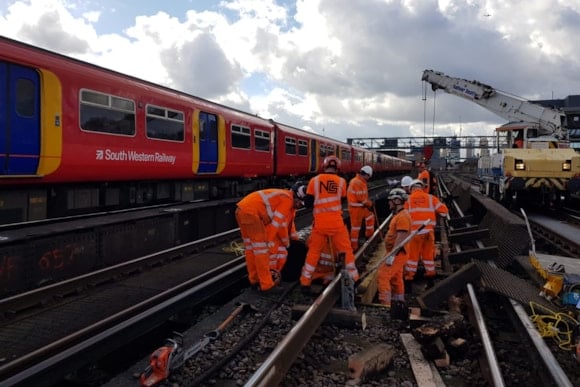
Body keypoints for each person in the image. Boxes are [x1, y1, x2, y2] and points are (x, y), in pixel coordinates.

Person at [300, 155, 359, 289]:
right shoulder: (342, 182)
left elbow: (308, 203)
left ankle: (305, 282)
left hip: (320, 224)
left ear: (324, 166)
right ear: (337, 168)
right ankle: (354, 279)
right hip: (336, 224)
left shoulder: (314, 181)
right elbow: (342, 200)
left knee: (314, 252)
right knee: (346, 250)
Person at [235, 183, 306, 291]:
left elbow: (289, 225)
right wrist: (268, 241)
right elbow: (276, 224)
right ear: (296, 197)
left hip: (242, 210)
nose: (300, 205)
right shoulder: (287, 200)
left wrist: (294, 238)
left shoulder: (285, 197)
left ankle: (254, 280)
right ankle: (266, 284)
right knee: (261, 251)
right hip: (252, 213)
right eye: (300, 203)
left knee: (250, 249)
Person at [404, 179, 449, 280]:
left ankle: (409, 276)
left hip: (414, 233)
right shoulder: (431, 198)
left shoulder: (408, 200)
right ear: (422, 188)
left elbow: (403, 217)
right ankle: (430, 272)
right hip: (429, 232)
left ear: (411, 188)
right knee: (428, 254)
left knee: (412, 255)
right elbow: (444, 212)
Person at [377, 188, 412, 307]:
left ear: (397, 201)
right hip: (397, 252)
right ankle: (399, 302)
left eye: (391, 200)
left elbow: (401, 237)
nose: (389, 203)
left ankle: (385, 305)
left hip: (398, 253)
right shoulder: (400, 215)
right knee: (396, 279)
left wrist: (392, 255)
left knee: (383, 275)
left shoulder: (403, 217)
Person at [347, 165, 375, 250]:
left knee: (370, 217)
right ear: (366, 174)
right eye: (369, 176)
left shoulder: (361, 181)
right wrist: (370, 204)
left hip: (362, 208)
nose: (369, 178)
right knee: (355, 228)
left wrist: (368, 203)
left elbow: (363, 198)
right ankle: (354, 247)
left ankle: (368, 236)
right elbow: (361, 198)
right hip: (356, 209)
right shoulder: (357, 182)